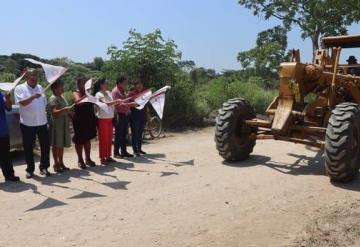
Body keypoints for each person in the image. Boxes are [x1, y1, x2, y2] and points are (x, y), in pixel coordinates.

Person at [14, 68, 51, 178]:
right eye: (32, 75)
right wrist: (33, 96)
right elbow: (22, 103)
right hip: (27, 124)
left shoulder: (40, 87)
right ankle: (30, 170)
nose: (34, 77)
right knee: (28, 148)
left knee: (45, 146)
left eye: (36, 75)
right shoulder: (20, 88)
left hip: (42, 122)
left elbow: (44, 104)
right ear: (27, 77)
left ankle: (44, 167)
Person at [93, 78, 124, 165]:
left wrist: (118, 102)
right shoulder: (98, 94)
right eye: (106, 83)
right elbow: (106, 103)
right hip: (102, 119)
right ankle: (102, 158)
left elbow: (112, 103)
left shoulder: (108, 93)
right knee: (103, 139)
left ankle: (108, 156)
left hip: (110, 118)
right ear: (101, 85)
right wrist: (116, 101)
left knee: (109, 139)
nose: (108, 84)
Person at [71, 78, 97, 169]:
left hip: (89, 119)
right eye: (83, 84)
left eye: (86, 84)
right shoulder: (75, 93)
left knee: (87, 139)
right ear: (78, 85)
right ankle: (80, 160)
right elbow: (79, 103)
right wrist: (86, 95)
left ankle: (88, 159)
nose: (86, 86)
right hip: (79, 120)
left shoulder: (88, 93)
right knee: (79, 141)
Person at [48, 80, 72, 173]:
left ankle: (61, 163)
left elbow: (65, 109)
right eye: (61, 86)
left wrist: (70, 113)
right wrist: (64, 109)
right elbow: (54, 112)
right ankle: (56, 164)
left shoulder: (62, 97)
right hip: (56, 125)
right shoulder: (53, 98)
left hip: (63, 124)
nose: (63, 88)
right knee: (56, 145)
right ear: (54, 88)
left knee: (61, 144)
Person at [112, 76, 137, 159]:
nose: (126, 84)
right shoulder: (116, 91)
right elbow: (118, 104)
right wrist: (131, 104)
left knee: (124, 134)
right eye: (124, 83)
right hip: (119, 114)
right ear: (119, 82)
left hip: (125, 114)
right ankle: (116, 152)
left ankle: (124, 151)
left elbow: (125, 101)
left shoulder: (122, 91)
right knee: (118, 134)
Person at [0, 91, 20, 182]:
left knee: (6, 155)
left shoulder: (1, 94)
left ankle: (9, 175)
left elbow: (8, 108)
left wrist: (8, 99)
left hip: (3, 130)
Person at [129, 80, 147, 156]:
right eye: (138, 85)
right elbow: (129, 104)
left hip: (142, 115)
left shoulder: (145, 93)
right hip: (134, 116)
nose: (140, 86)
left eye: (141, 85)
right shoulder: (131, 93)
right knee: (135, 134)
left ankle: (139, 149)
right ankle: (135, 151)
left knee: (140, 133)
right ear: (135, 86)